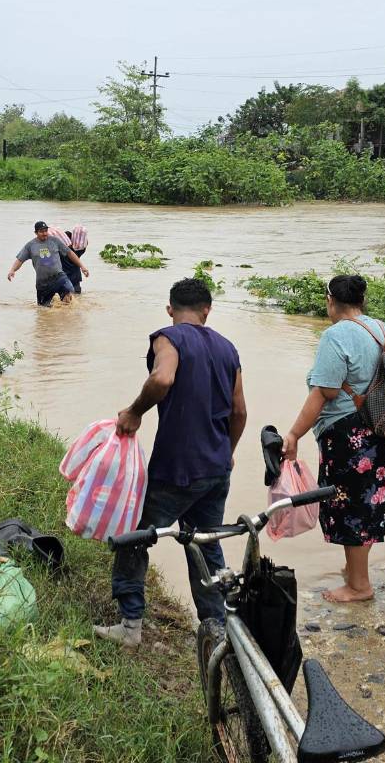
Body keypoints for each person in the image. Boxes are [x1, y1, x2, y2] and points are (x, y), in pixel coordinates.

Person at [94, 277, 246, 647]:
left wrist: (134, 412)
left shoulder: (168, 337)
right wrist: (227, 452)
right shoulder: (228, 348)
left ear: (170, 309)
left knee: (133, 538)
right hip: (216, 469)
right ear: (207, 310)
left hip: (177, 468)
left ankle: (130, 625)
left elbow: (162, 378)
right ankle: (218, 630)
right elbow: (240, 411)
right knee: (205, 542)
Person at [281, 275, 385, 604]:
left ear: (330, 301)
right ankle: (354, 571)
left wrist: (294, 434)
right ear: (362, 301)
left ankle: (359, 586)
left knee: (351, 505)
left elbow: (325, 392)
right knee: (372, 500)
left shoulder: (335, 336)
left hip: (351, 433)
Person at [7, 221, 88, 306]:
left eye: (46, 231)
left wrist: (82, 267)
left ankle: (66, 314)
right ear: (36, 233)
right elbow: (20, 259)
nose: (44, 233)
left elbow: (70, 253)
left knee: (68, 292)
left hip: (59, 277)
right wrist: (12, 270)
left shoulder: (55, 241)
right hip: (42, 283)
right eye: (41, 231)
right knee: (43, 309)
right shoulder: (30, 246)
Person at [60, 224, 88, 294]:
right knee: (77, 297)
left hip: (64, 279)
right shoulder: (78, 251)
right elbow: (85, 244)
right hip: (75, 279)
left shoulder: (61, 252)